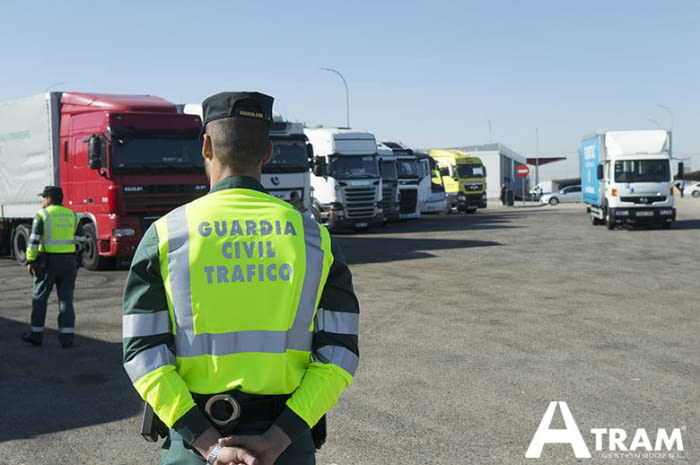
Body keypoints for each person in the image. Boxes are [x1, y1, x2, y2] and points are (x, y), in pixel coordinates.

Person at [122, 91, 360, 465]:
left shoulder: (166, 235)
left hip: (193, 446)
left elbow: (143, 354)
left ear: (205, 146)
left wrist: (208, 444)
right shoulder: (314, 238)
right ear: (268, 152)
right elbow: (338, 354)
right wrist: (280, 439)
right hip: (285, 446)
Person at [22, 186, 85, 348]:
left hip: (47, 263)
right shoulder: (72, 215)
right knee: (66, 299)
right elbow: (81, 239)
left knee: (40, 298)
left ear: (49, 198)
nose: (42, 200)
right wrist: (75, 259)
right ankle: (67, 338)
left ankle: (36, 334)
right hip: (69, 262)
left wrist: (30, 260)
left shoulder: (42, 215)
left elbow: (34, 240)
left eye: (43, 197)